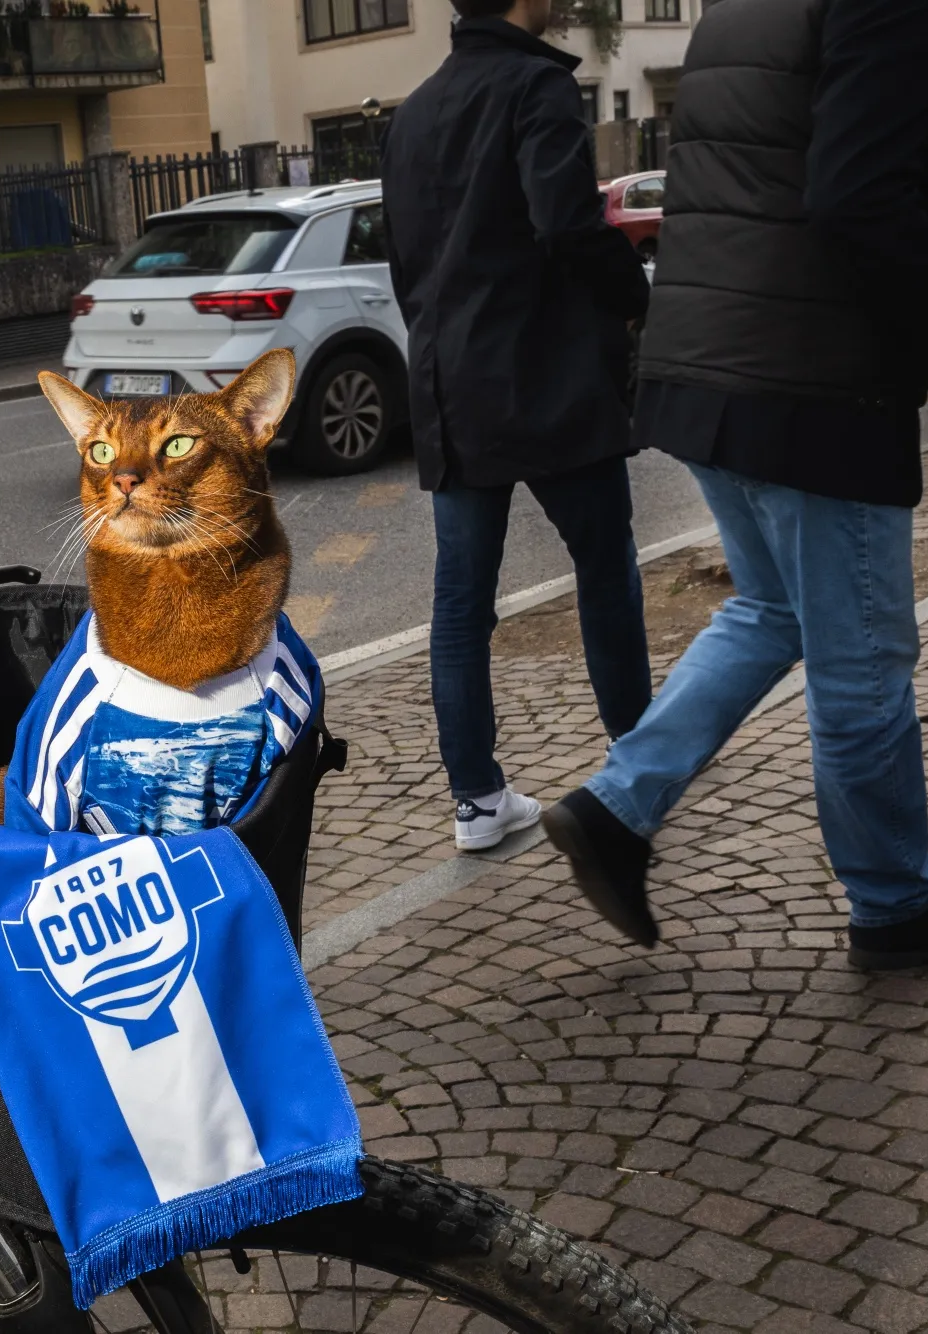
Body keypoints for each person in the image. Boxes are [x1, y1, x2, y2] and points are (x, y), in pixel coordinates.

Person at [541, 0, 928, 970]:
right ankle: (895, 905)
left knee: (770, 607)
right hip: (811, 384)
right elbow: (857, 194)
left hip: (709, 368)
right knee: (859, 657)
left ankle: (614, 806)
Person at [381, 0, 653, 852]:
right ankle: (639, 761)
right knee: (606, 573)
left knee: (461, 605)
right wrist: (634, 295)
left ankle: (477, 802)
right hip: (548, 378)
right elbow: (570, 223)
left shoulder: (415, 110)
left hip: (450, 387)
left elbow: (406, 263)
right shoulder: (536, 86)